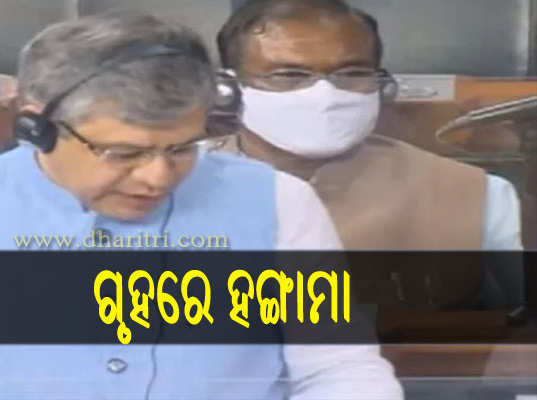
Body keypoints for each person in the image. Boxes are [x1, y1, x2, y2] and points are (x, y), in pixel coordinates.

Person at [0, 10, 402, 400]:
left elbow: (336, 368)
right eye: (122, 153)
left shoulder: (279, 204)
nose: (157, 176)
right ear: (36, 125)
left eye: (182, 148)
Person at [216, 0, 523, 309]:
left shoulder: (473, 195)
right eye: (288, 75)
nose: (325, 96)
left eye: (351, 73)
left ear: (383, 86)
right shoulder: (187, 181)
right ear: (228, 90)